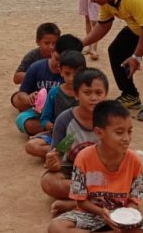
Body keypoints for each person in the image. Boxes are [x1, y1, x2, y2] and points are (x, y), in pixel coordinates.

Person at [48, 100, 143, 233]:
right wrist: (102, 212)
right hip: (91, 214)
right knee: (56, 227)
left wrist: (126, 217)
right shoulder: (83, 158)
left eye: (129, 131)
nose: (126, 138)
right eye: (119, 132)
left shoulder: (134, 161)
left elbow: (135, 199)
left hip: (123, 217)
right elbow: (81, 201)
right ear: (99, 133)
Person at [41, 68, 108, 216]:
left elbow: (120, 154)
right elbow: (57, 153)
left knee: (136, 186)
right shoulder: (65, 120)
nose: (93, 98)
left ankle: (76, 203)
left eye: (98, 93)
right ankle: (99, 201)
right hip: (72, 169)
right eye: (87, 92)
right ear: (76, 95)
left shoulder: (111, 119)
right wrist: (53, 163)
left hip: (104, 172)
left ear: (106, 95)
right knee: (48, 182)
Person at [24, 50, 85, 158]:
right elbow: (44, 120)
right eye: (67, 73)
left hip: (81, 135)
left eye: (76, 73)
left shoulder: (86, 93)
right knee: (31, 146)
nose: (71, 78)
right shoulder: (54, 93)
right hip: (58, 134)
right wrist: (54, 128)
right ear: (60, 71)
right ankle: (67, 154)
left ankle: (61, 154)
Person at [11, 34, 83, 113]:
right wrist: (30, 99)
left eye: (65, 63)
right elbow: (23, 92)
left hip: (62, 111)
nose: (59, 65)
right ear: (52, 52)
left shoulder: (77, 74)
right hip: (38, 108)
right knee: (17, 99)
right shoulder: (36, 67)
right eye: (57, 59)